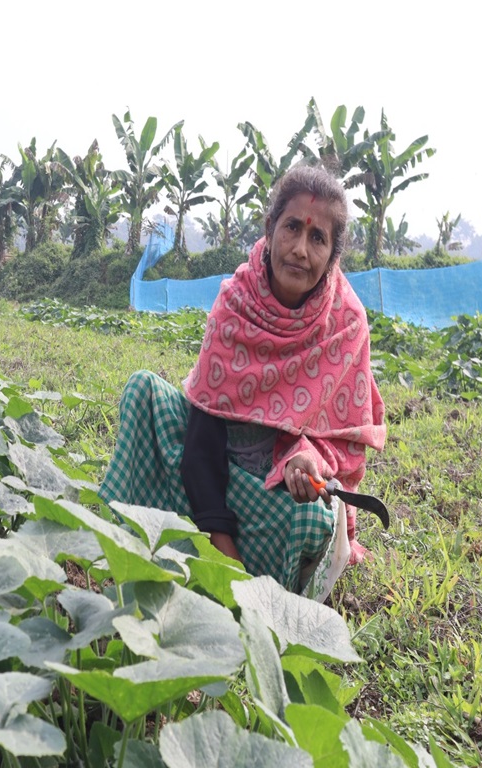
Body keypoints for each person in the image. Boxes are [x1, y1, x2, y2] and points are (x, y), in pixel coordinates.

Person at [99, 164, 386, 600]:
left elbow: (344, 444)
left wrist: (304, 456)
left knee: (309, 520)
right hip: (211, 466)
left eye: (318, 238)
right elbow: (204, 427)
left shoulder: (346, 324)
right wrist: (221, 541)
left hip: (275, 490)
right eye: (291, 227)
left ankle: (262, 600)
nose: (300, 251)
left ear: (333, 255)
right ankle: (143, 547)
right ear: (270, 229)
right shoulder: (236, 301)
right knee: (143, 390)